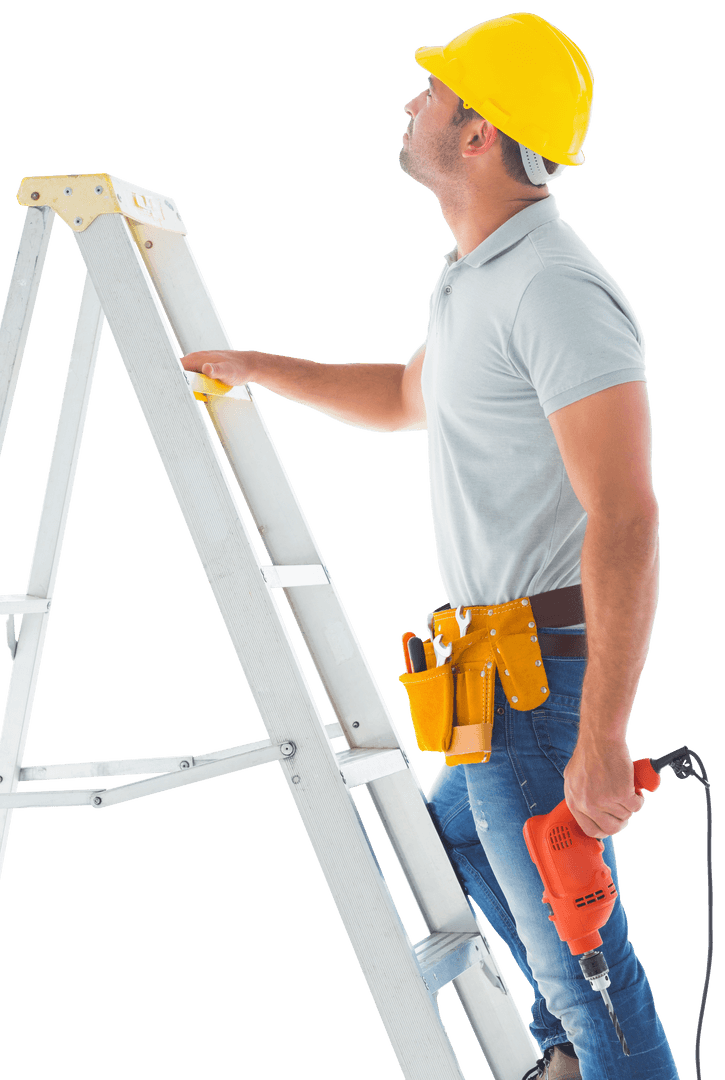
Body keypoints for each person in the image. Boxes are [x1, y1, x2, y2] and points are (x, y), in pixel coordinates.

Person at [180, 12, 679, 1079]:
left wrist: (601, 738)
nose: (410, 103)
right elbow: (411, 394)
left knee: (594, 972)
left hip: (536, 686)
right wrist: (261, 367)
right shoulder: (473, 277)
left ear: (477, 134)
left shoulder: (552, 288)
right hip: (485, 676)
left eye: (432, 93)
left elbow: (626, 515)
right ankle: (555, 1053)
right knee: (450, 843)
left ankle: (574, 1051)